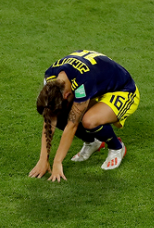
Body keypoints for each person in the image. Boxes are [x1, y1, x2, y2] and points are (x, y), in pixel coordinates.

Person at [28, 50, 140, 182]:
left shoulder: (82, 84)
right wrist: (43, 159)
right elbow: (49, 118)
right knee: (58, 114)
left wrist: (57, 162)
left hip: (123, 89)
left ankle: (117, 147)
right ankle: (93, 142)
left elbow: (72, 124)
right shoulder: (50, 77)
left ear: (65, 95)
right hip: (98, 84)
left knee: (89, 120)